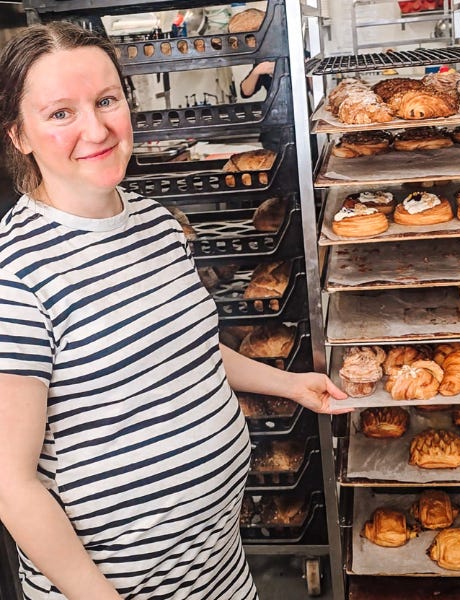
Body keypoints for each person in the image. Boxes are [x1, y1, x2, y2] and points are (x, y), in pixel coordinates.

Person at [0, 23, 352, 599]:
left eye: (106, 100)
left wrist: (291, 384)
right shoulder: (16, 274)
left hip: (218, 566)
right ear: (19, 135)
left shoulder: (157, 223)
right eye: (60, 113)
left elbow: (182, 345)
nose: (96, 128)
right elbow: (10, 486)